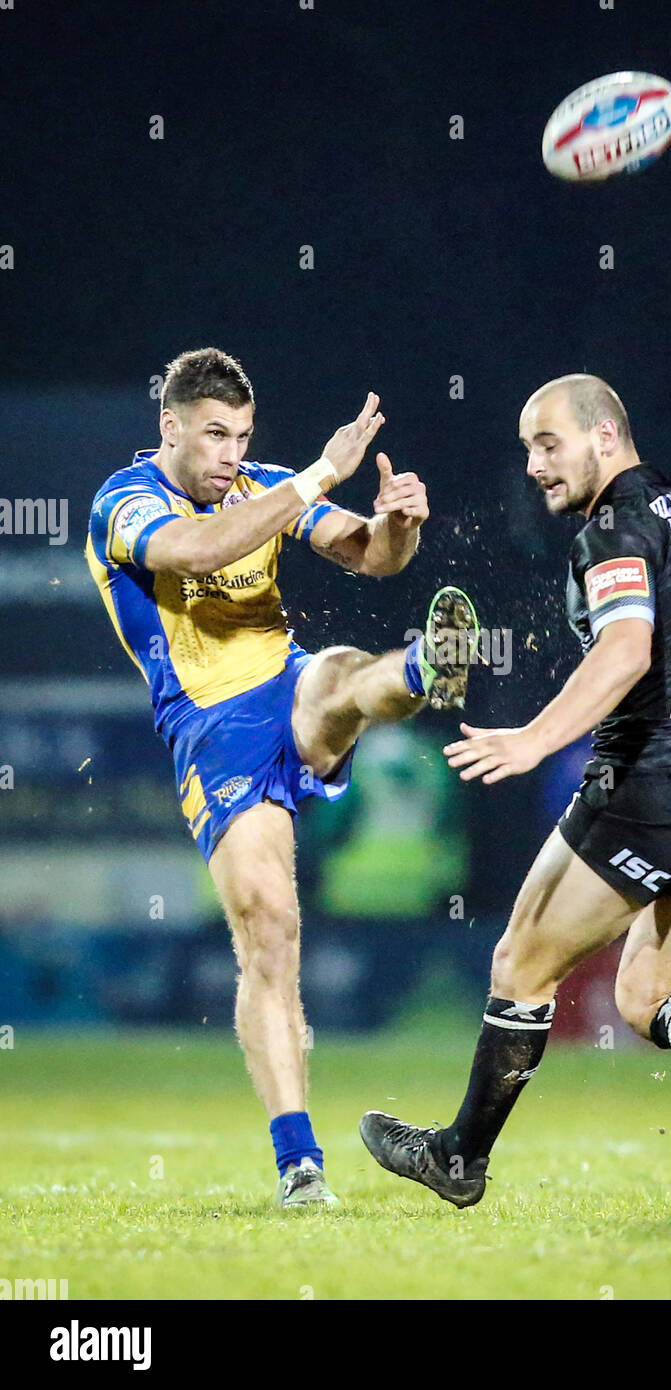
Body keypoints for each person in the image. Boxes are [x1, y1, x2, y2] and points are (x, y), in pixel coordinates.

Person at [360, 372, 671, 1220]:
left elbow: (627, 651)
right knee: (641, 996)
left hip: (651, 789)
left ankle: (460, 1156)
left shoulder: (611, 529)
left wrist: (535, 739)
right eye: (527, 446)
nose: (533, 463)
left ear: (606, 436)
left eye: (548, 441)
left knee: (518, 964)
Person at [85, 347, 477, 1208]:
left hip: (284, 680)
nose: (231, 454)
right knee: (271, 932)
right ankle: (300, 1164)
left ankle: (419, 670)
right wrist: (313, 475)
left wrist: (397, 524)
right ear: (172, 426)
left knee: (338, 677)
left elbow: (368, 556)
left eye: (243, 436)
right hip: (209, 730)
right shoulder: (125, 501)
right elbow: (191, 552)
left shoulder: (260, 483)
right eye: (216, 435)